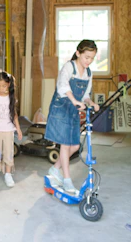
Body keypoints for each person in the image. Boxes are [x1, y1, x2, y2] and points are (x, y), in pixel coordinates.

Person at [44, 40, 100, 194]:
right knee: (66, 144)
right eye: (86, 57)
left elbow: (86, 95)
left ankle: (55, 168)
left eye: (92, 58)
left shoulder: (88, 73)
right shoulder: (69, 67)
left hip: (74, 110)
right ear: (78, 53)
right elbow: (62, 86)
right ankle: (67, 180)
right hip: (61, 108)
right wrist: (75, 101)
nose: (89, 61)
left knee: (75, 146)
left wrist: (91, 102)